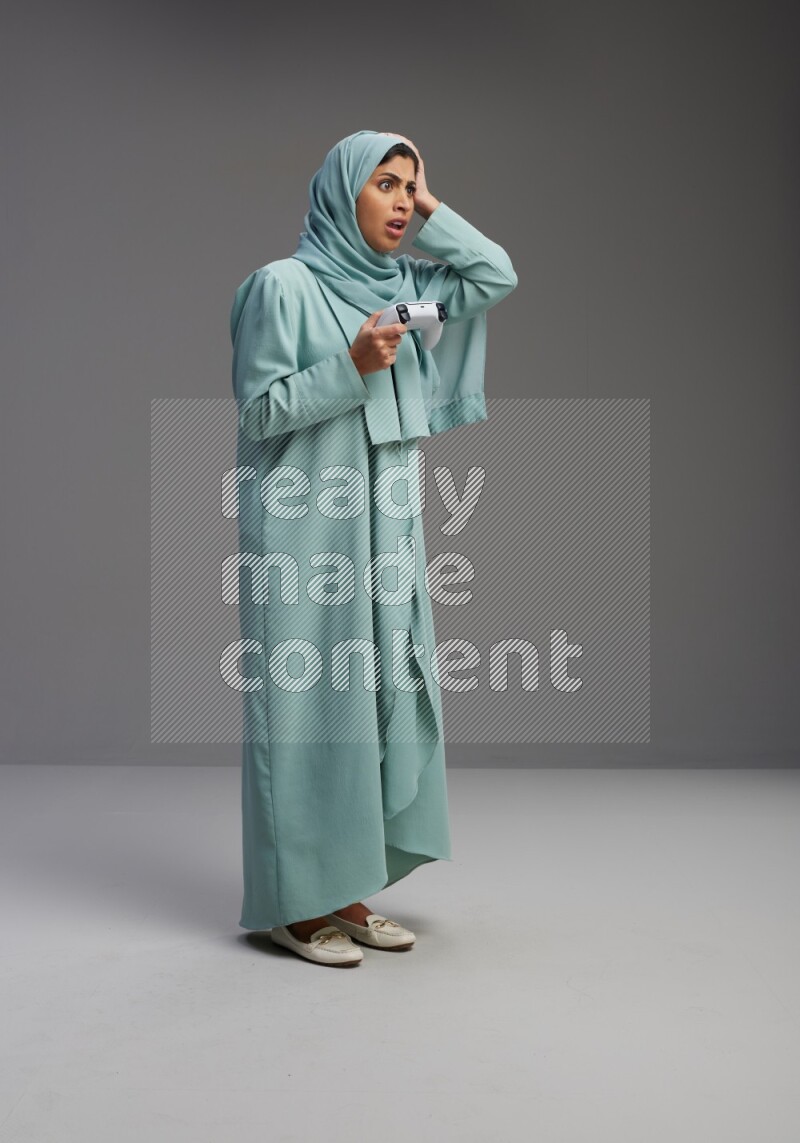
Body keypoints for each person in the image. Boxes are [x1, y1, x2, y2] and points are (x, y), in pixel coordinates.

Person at [230, 130, 517, 966]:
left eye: (412, 189)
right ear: (339, 192)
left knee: (377, 693)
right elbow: (256, 413)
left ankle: (346, 887)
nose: (401, 201)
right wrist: (353, 363)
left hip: (386, 520)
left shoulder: (410, 287)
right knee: (308, 709)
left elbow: (494, 275)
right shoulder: (280, 288)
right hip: (303, 525)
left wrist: (437, 213)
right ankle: (292, 901)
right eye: (385, 184)